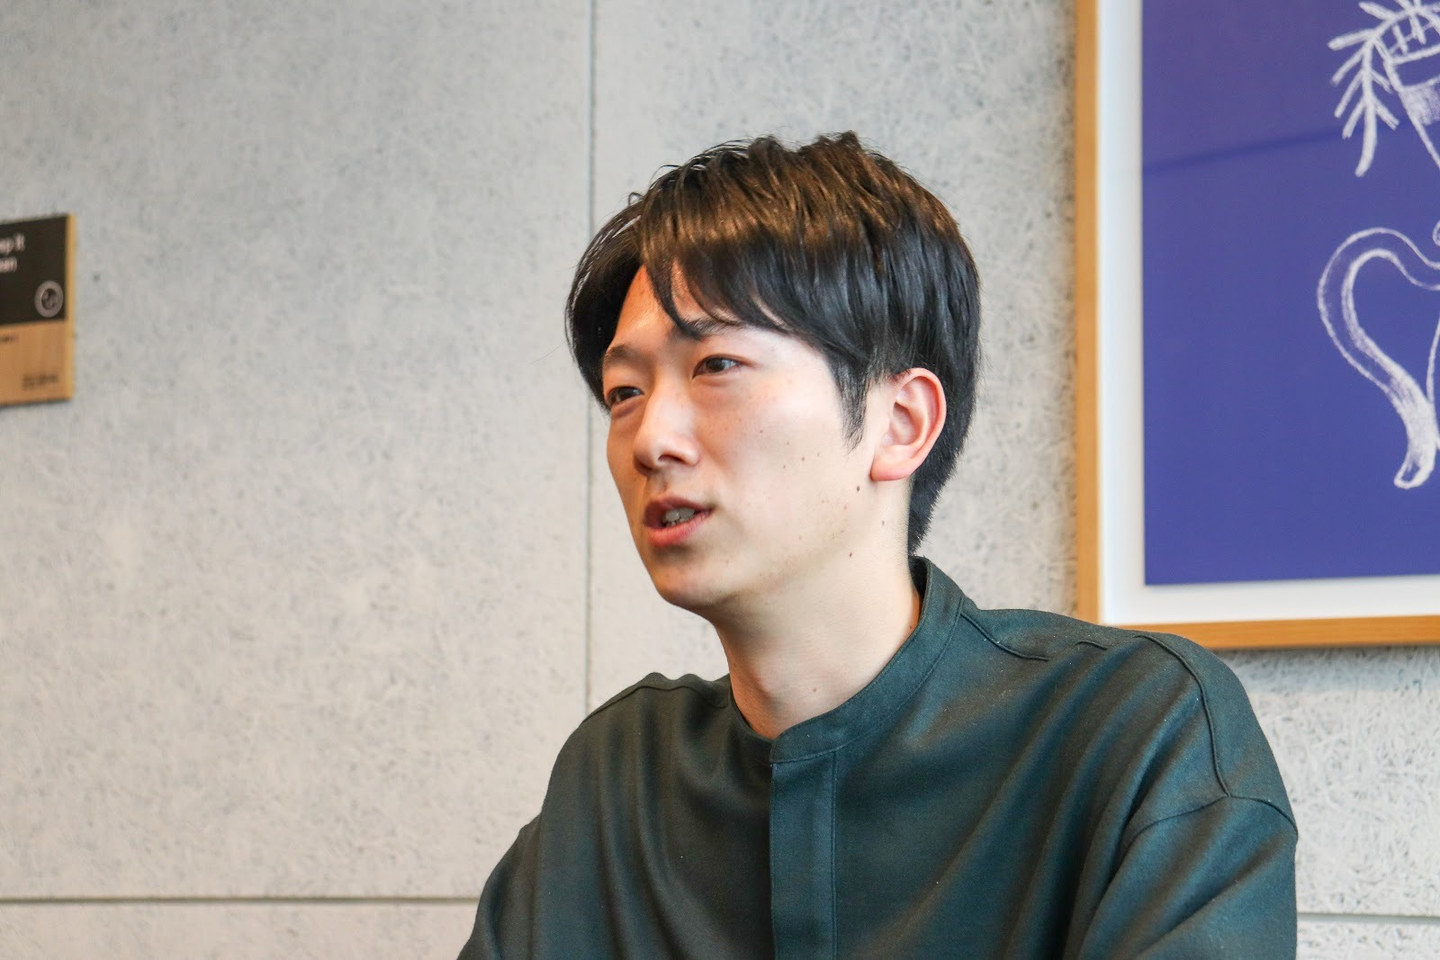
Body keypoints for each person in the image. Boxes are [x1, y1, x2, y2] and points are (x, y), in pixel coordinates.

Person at [459, 133, 1297, 958]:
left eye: (714, 366)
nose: (650, 440)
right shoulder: (618, 778)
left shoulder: (1136, 731)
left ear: (901, 424)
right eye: (624, 392)